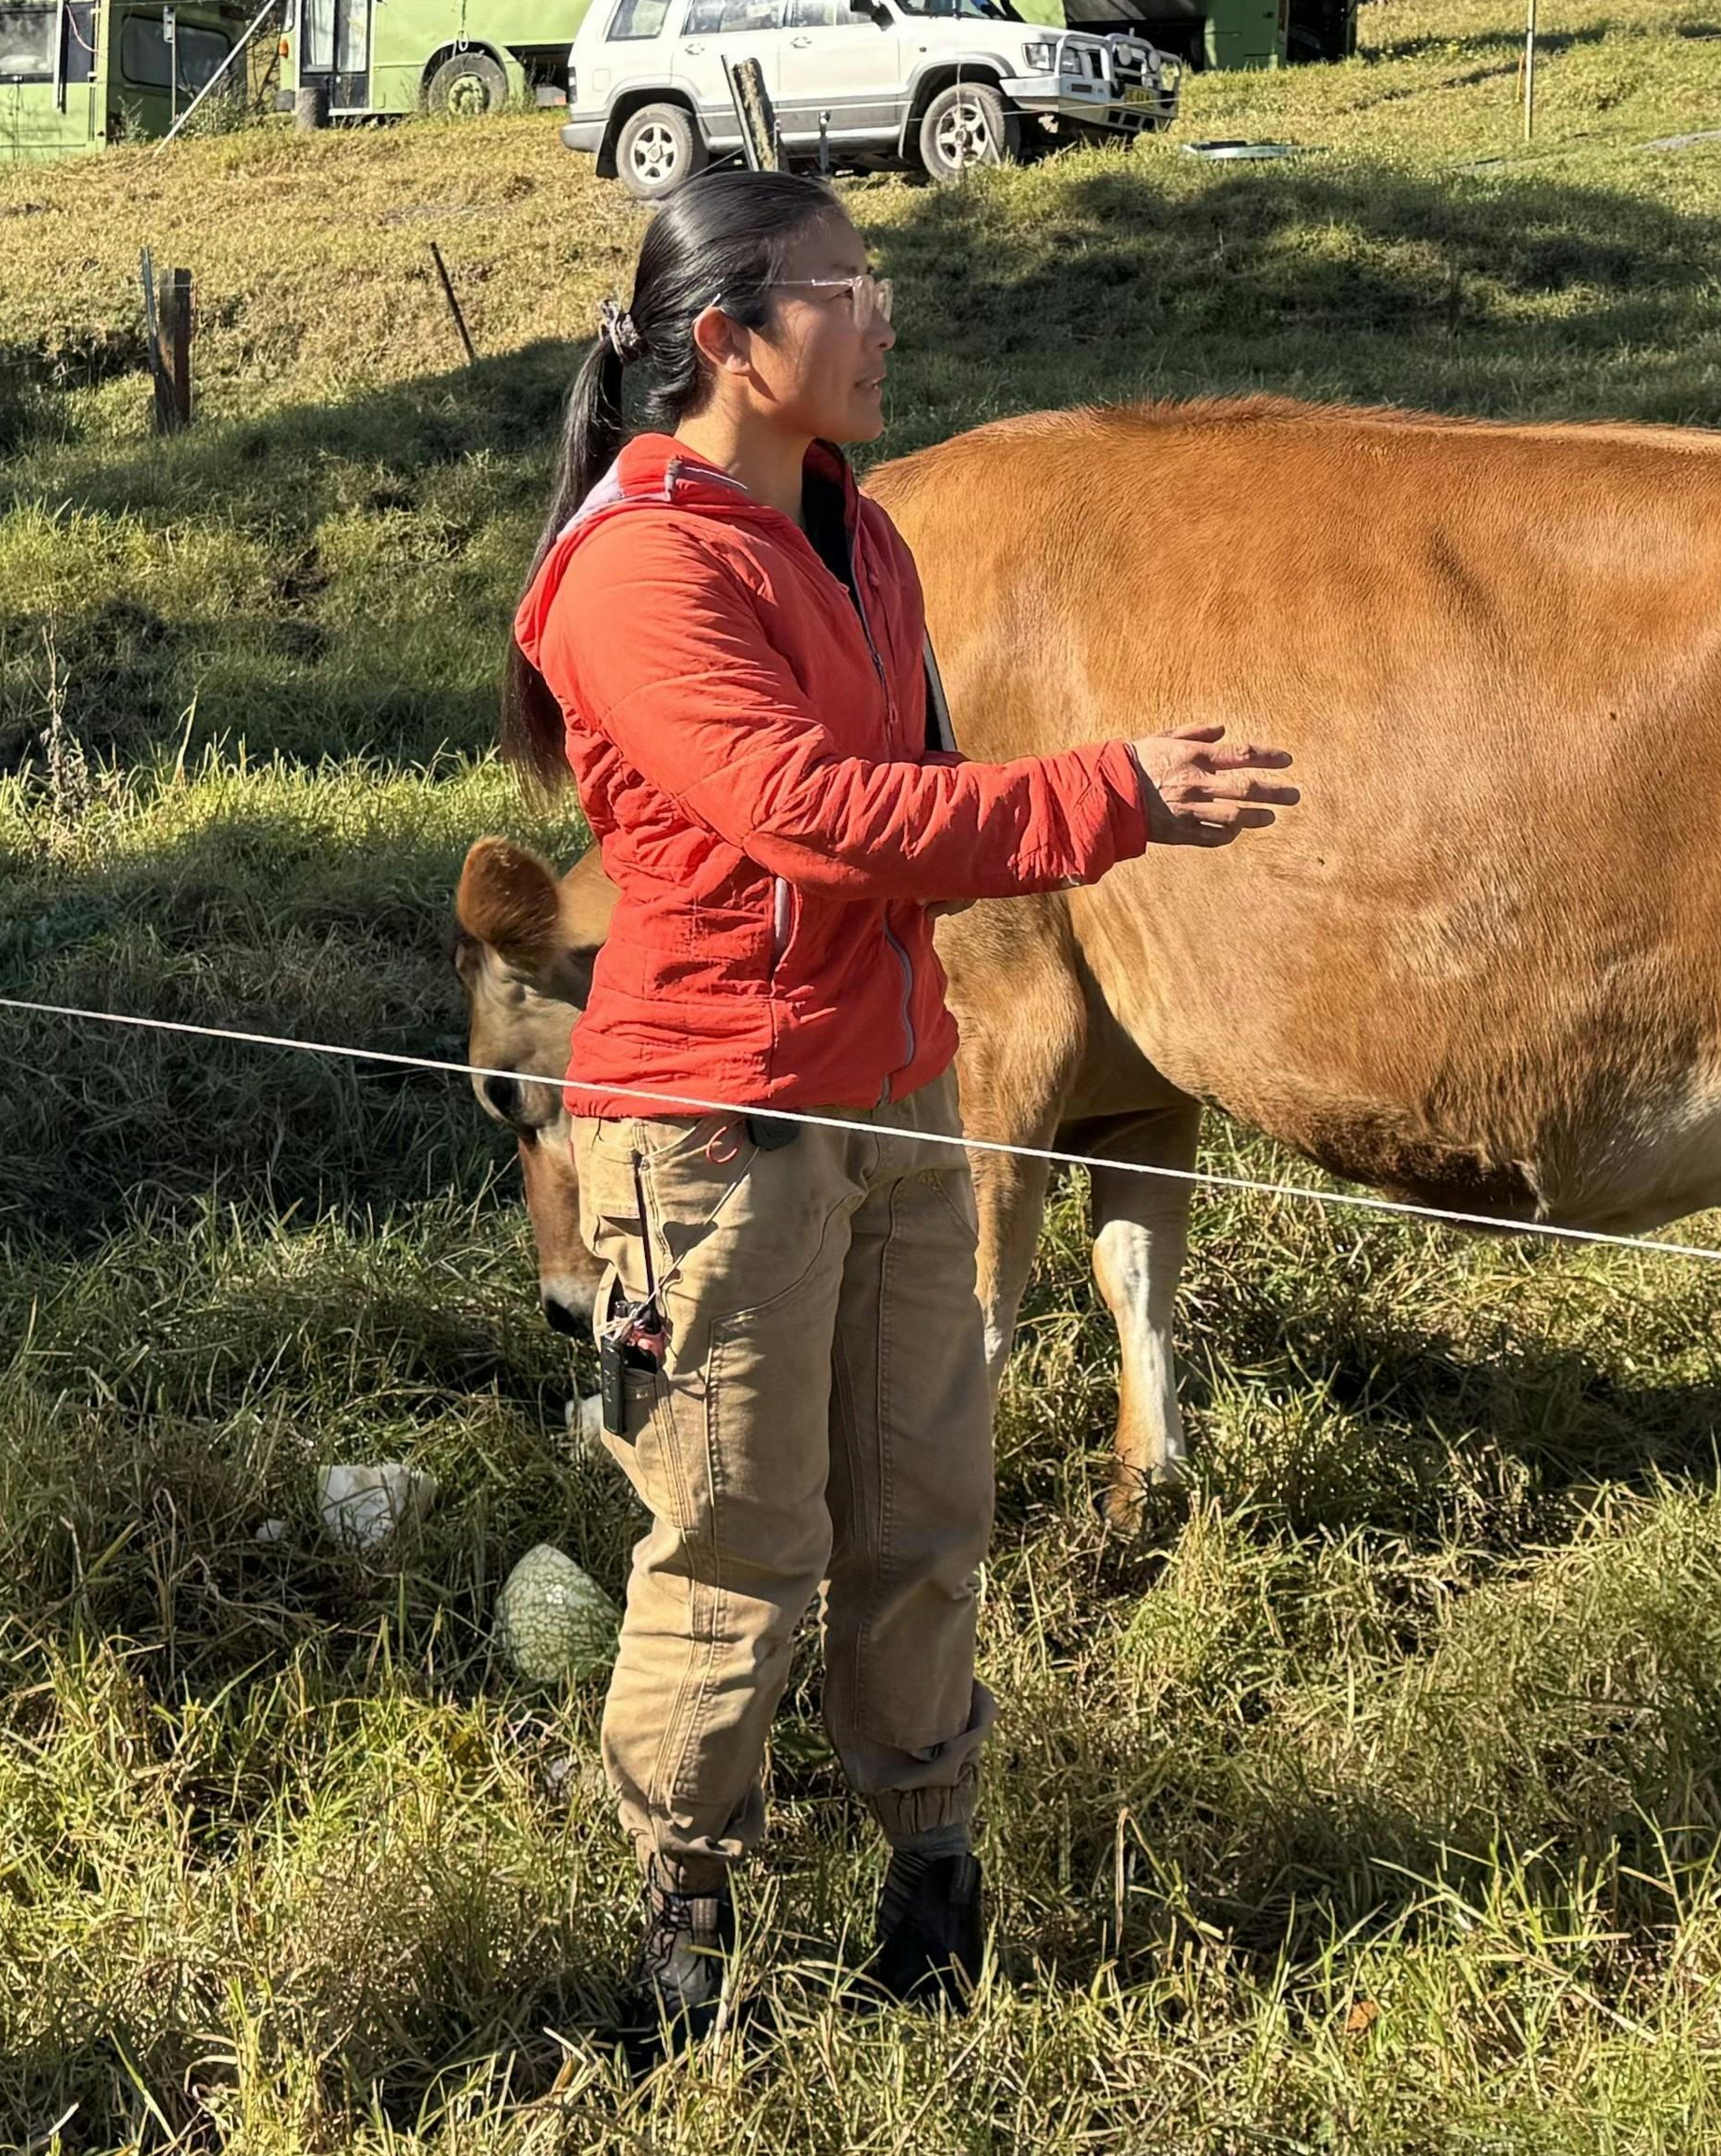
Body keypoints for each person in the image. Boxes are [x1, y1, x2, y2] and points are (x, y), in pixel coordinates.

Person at [501, 169, 1298, 2037]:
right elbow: (818, 813)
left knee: (929, 1508)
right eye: (845, 290)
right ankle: (682, 1925)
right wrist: (1109, 792)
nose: (884, 319)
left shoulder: (866, 538)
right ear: (729, 343)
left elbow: (919, 799)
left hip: (897, 1093)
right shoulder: (638, 572)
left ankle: (932, 1877)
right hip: (711, 1132)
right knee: (737, 1534)